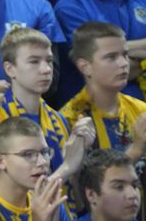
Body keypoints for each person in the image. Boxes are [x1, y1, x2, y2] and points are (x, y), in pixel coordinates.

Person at [0, 28, 84, 175]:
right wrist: (67, 167)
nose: (46, 69)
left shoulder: (58, 119)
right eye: (34, 61)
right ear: (10, 69)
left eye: (49, 61)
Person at [60, 22, 146, 156]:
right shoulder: (69, 120)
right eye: (111, 57)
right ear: (85, 67)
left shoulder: (141, 110)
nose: (124, 63)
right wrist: (136, 149)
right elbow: (82, 170)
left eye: (125, 55)